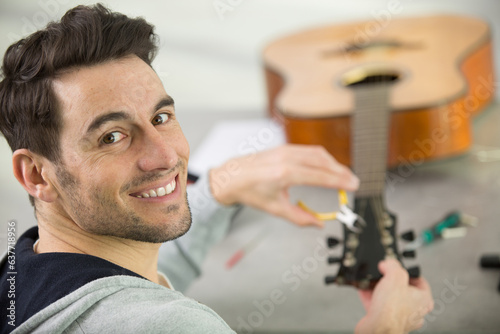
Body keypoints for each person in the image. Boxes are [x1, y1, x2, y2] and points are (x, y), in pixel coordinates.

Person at [0, 4, 433, 334]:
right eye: (112, 137)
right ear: (36, 175)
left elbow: (128, 286)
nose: (166, 157)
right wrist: (385, 326)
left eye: (161, 117)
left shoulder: (26, 275)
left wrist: (220, 187)